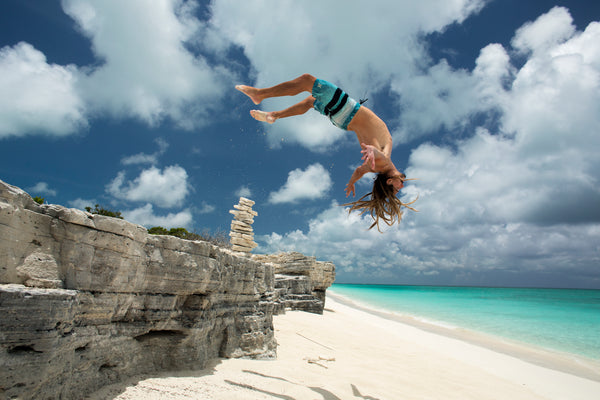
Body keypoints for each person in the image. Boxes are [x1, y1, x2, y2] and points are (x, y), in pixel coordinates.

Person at [236, 73, 417, 230]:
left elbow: (381, 156)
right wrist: (352, 182)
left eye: (397, 189)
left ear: (390, 181)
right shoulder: (376, 166)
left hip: (348, 110)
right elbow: (359, 171)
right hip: (343, 121)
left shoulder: (384, 163)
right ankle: (274, 115)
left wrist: (372, 150)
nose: (402, 186)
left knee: (307, 80)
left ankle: (259, 94)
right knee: (309, 102)